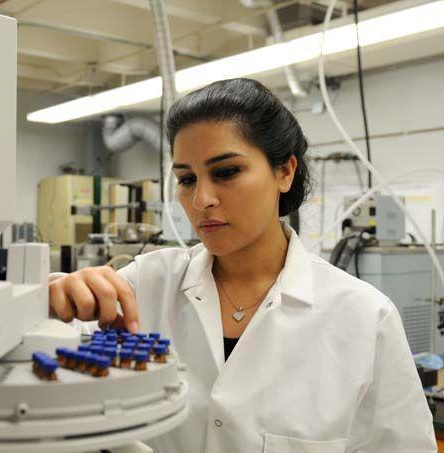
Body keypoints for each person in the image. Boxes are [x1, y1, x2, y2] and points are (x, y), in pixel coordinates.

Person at [48, 78, 436, 452]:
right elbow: (30, 362)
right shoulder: (143, 284)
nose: (201, 200)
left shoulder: (364, 317)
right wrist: (53, 298)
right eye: (186, 179)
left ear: (285, 171)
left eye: (226, 172)